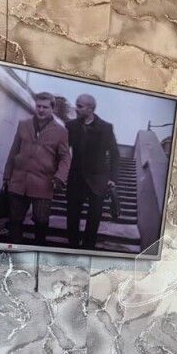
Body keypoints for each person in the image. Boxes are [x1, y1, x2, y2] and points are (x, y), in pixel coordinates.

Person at [3, 92, 71, 245]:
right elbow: (14, 151)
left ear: (52, 109)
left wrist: (60, 177)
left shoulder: (61, 131)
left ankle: (37, 250)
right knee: (14, 220)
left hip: (43, 184)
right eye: (38, 106)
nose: (41, 110)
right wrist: (7, 176)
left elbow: (65, 157)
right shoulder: (23, 125)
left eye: (45, 107)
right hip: (19, 181)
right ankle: (14, 251)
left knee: (41, 222)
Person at [66, 93, 120, 250]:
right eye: (76, 105)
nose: (76, 108)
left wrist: (112, 178)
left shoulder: (106, 128)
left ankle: (88, 248)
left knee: (94, 218)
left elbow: (115, 154)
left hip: (98, 180)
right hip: (76, 179)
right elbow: (62, 150)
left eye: (80, 106)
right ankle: (72, 247)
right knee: (72, 216)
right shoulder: (70, 126)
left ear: (91, 109)